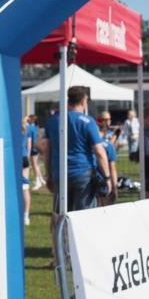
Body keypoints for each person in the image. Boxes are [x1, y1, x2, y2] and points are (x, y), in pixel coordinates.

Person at [44, 86, 111, 214]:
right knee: (85, 216)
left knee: (61, 216)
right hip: (83, 173)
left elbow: (48, 150)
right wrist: (107, 177)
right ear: (84, 100)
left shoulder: (53, 121)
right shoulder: (87, 122)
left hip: (60, 174)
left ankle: (61, 235)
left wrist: (49, 175)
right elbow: (99, 151)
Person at [97, 112, 120, 206]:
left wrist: (116, 137)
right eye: (105, 120)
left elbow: (113, 148)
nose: (107, 122)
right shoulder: (97, 133)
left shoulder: (111, 133)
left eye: (109, 119)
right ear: (100, 121)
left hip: (108, 167)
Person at [27, 114, 45, 190]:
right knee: (35, 165)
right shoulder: (35, 128)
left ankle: (38, 182)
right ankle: (41, 180)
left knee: (34, 165)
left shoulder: (30, 128)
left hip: (33, 149)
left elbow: (30, 140)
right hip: (35, 148)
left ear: (31, 120)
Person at [21, 116, 33, 226]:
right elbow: (29, 145)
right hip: (24, 157)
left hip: (14, 158)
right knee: (25, 188)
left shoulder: (11, 124)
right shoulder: (28, 127)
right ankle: (26, 215)